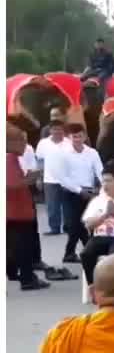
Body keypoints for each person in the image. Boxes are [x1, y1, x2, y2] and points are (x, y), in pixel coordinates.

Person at [50, 124, 103, 266]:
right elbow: (62, 177)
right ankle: (87, 250)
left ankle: (71, 253)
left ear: (85, 136)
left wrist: (104, 187)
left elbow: (100, 171)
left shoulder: (92, 153)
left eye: (80, 136)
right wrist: (79, 191)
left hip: (90, 192)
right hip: (70, 192)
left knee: (87, 223)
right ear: (69, 137)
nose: (77, 139)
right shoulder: (63, 154)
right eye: (74, 137)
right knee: (74, 224)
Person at [7, 124, 49, 290]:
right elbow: (12, 184)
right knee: (23, 247)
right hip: (17, 212)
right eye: (21, 141)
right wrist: (31, 178)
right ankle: (27, 279)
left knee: (12, 246)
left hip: (14, 211)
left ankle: (13, 273)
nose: (25, 145)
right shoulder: (9, 158)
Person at [35, 120, 70, 235]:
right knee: (52, 206)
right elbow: (39, 161)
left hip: (67, 179)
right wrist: (39, 178)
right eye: (54, 129)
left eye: (59, 129)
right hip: (49, 179)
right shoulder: (43, 143)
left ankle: (68, 227)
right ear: (50, 130)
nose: (57, 131)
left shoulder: (69, 143)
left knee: (67, 205)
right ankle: (54, 228)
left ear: (63, 130)